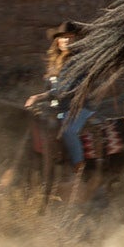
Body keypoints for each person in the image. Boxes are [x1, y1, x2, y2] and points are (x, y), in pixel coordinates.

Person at [26, 22, 96, 179]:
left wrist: (39, 97)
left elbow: (68, 90)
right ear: (57, 41)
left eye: (71, 37)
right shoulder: (53, 64)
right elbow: (50, 89)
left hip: (77, 108)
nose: (67, 41)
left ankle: (78, 167)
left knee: (68, 131)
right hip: (58, 110)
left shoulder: (79, 62)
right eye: (63, 37)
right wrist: (44, 102)